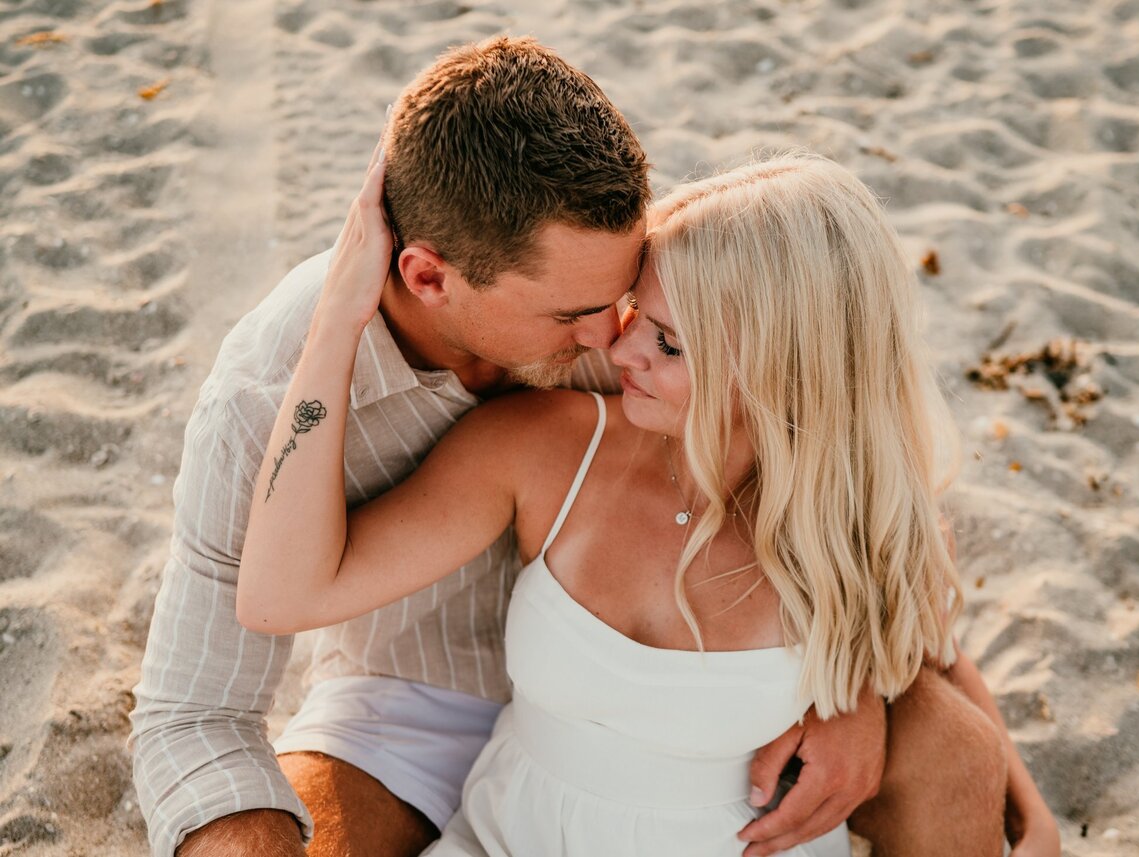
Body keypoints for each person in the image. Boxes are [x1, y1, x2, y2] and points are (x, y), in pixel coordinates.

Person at [235, 151, 1061, 857]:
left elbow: (931, 655)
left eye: (668, 342)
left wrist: (1036, 818)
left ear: (777, 373)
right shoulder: (546, 447)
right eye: (639, 313)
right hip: (517, 836)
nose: (619, 347)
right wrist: (335, 325)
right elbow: (284, 593)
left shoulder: (850, 516)